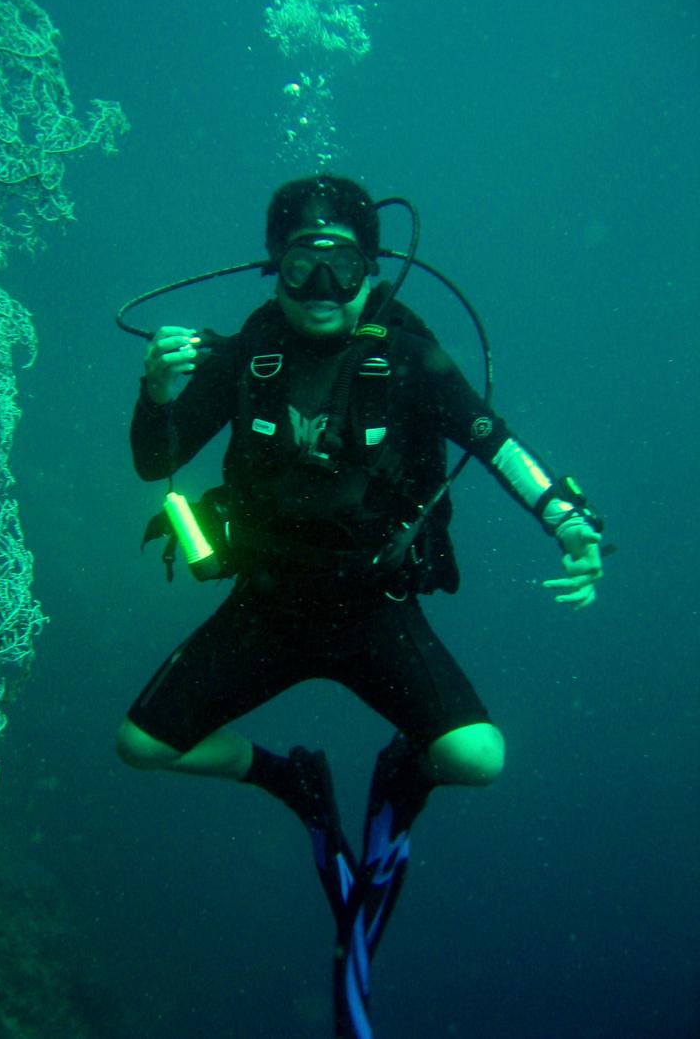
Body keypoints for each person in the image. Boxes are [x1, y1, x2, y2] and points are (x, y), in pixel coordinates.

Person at [116, 175, 604, 1038]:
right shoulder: (244, 354)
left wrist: (566, 519)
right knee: (142, 746)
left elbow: (492, 438)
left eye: (344, 267)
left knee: (478, 757)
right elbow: (157, 461)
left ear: (375, 272)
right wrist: (155, 394)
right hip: (265, 604)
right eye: (303, 265)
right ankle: (291, 780)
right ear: (274, 270)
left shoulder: (411, 354)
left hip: (374, 612)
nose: (323, 290)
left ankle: (401, 771)